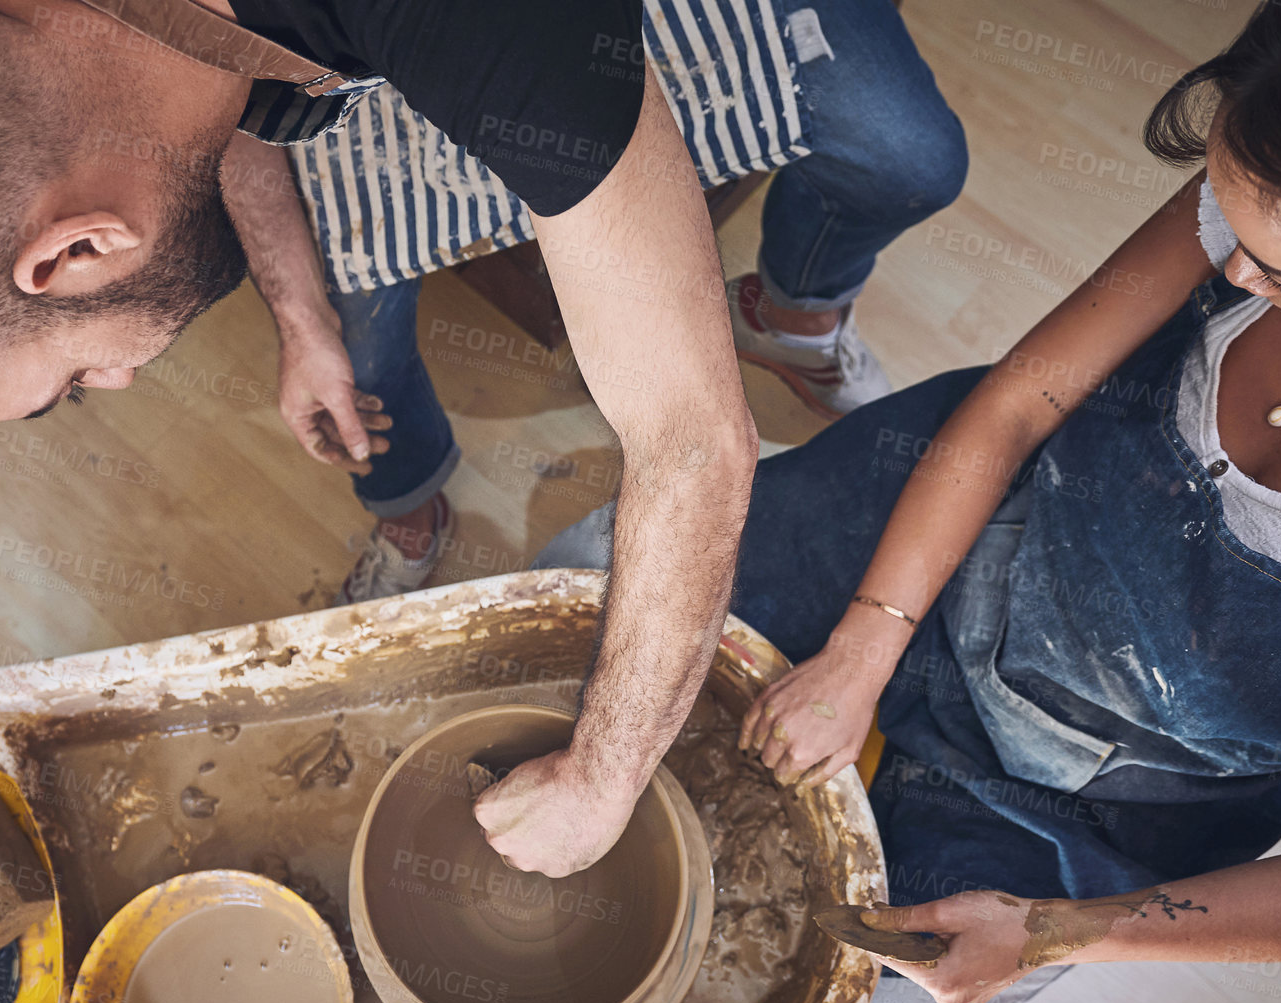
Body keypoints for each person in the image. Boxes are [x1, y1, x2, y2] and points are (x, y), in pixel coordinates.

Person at [0, 0, 783, 878]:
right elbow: (172, 102)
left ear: (79, 247)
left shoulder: (486, 26)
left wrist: (603, 778)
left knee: (891, 135)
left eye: (75, 381)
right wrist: (301, 314)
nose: (123, 376)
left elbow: (691, 440)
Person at [544, 0, 1281, 1003]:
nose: (1227, 265)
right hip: (990, 513)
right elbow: (1022, 400)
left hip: (1107, 780)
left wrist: (1058, 932)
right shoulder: (1278, 179)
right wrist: (860, 645)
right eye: (1223, 219)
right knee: (582, 589)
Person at [267, 0, 966, 604]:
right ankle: (407, 507)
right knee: (350, 352)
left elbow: (702, 453)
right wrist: (298, 318)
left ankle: (792, 321)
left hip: (602, 30)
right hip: (371, 73)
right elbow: (219, 90)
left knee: (918, 156)